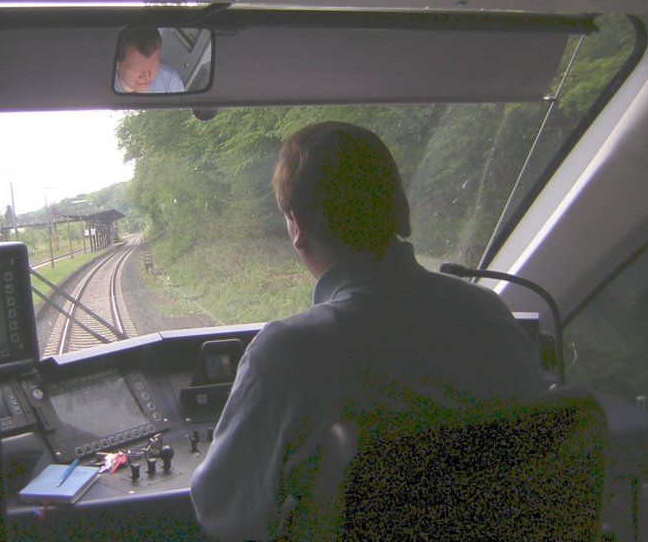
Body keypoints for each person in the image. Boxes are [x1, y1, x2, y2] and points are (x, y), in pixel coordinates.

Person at [189, 122, 545, 540]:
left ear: (297, 225)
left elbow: (224, 513)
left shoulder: (289, 352)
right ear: (399, 210)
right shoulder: (489, 312)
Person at [114, 27, 184, 93]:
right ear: (117, 64)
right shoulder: (103, 85)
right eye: (138, 70)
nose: (147, 77)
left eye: (153, 68)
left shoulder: (171, 84)